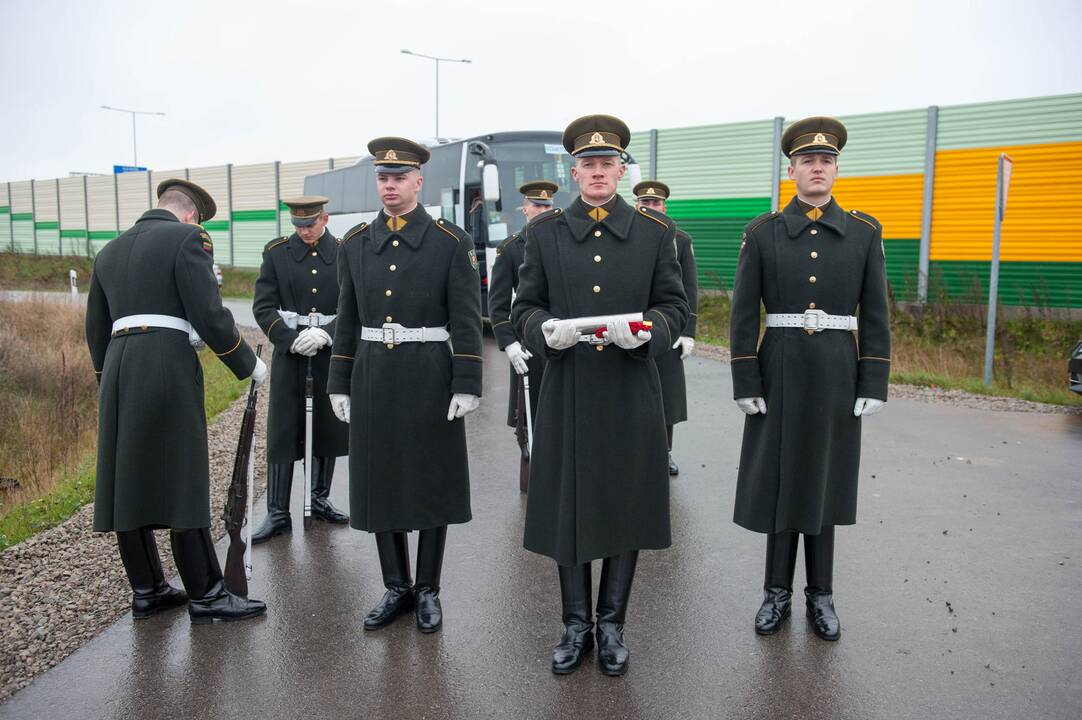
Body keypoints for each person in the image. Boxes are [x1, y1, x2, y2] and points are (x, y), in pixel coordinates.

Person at [511, 115, 688, 675]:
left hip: (629, 385)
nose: (597, 172)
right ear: (574, 171)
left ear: (621, 169)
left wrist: (647, 334)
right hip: (567, 386)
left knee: (624, 505)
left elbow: (675, 307)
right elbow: (523, 307)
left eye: (607, 163)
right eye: (587, 163)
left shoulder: (656, 234)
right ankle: (574, 625)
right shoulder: (543, 234)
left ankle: (611, 625)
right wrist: (543, 331)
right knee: (569, 505)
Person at [728, 117, 891, 641]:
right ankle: (776, 592)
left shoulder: (865, 232)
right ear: (792, 170)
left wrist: (873, 382)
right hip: (779, 368)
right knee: (780, 479)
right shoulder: (763, 231)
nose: (816, 168)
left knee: (824, 481)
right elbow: (742, 314)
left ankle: (820, 594)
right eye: (807, 161)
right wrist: (745, 378)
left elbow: (877, 314)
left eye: (825, 161)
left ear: (836, 170)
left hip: (837, 373)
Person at [85, 179, 268, 624]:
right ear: (192, 215)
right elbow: (208, 312)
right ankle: (206, 593)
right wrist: (247, 364)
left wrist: (107, 377)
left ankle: (147, 589)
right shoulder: (188, 238)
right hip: (165, 361)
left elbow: (95, 325)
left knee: (127, 477)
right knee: (183, 474)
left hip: (118, 365)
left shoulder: (108, 251)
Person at [327, 137, 483, 634]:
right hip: (374, 373)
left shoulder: (450, 241)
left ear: (419, 181)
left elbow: (465, 318)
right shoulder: (355, 244)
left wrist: (467, 382)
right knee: (381, 482)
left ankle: (428, 588)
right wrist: (340, 382)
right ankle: (396, 585)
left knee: (431, 480)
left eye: (399, 177)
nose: (389, 185)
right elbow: (347, 318)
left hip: (429, 374)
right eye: (382, 177)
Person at [250, 196, 350, 542]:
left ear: (325, 217)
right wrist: (289, 339)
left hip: (328, 353)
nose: (304, 231)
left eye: (310, 224)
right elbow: (263, 307)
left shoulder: (342, 252)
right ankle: (277, 512)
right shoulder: (276, 252)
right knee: (283, 429)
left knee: (326, 426)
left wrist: (328, 333)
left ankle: (318, 499)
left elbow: (353, 304)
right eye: (298, 225)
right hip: (291, 355)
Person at [488, 181, 556, 474]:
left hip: (563, 339)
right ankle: (532, 467)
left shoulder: (562, 241)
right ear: (525, 209)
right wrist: (509, 343)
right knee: (527, 414)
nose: (541, 211)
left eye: (546, 206)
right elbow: (498, 304)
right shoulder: (511, 249)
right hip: (528, 343)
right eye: (536, 206)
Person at [632, 180, 698, 476]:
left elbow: (689, 288)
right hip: (633, 328)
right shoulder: (628, 236)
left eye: (656, 204)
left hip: (668, 328)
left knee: (667, 395)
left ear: (665, 206)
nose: (651, 208)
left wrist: (688, 332)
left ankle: (666, 452)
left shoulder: (680, 240)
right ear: (637, 206)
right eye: (645, 204)